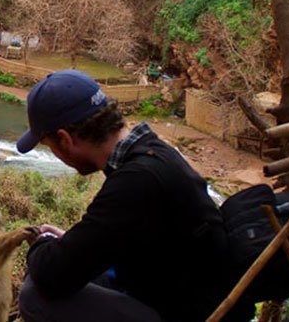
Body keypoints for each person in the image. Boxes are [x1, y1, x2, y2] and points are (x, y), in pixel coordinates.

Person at [16, 70, 251, 322]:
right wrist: (70, 243)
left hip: (185, 312)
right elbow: (119, 233)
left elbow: (53, 276)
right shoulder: (153, 151)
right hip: (173, 288)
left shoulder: (137, 181)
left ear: (64, 139)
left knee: (35, 296)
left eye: (51, 148)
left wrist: (42, 244)